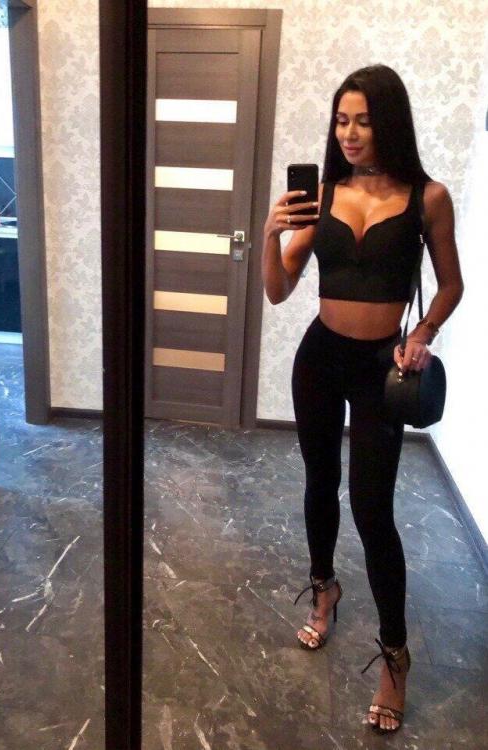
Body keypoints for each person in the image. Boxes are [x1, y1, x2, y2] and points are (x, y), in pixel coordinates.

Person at [261, 64, 463, 735]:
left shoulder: (427, 197)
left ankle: (395, 657)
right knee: (319, 484)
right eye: (341, 120)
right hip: (320, 360)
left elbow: (451, 285)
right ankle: (324, 590)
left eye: (364, 120)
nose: (349, 133)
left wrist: (422, 333)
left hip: (383, 369)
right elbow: (278, 291)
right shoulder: (322, 194)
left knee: (374, 511)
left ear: (390, 123)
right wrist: (270, 233)